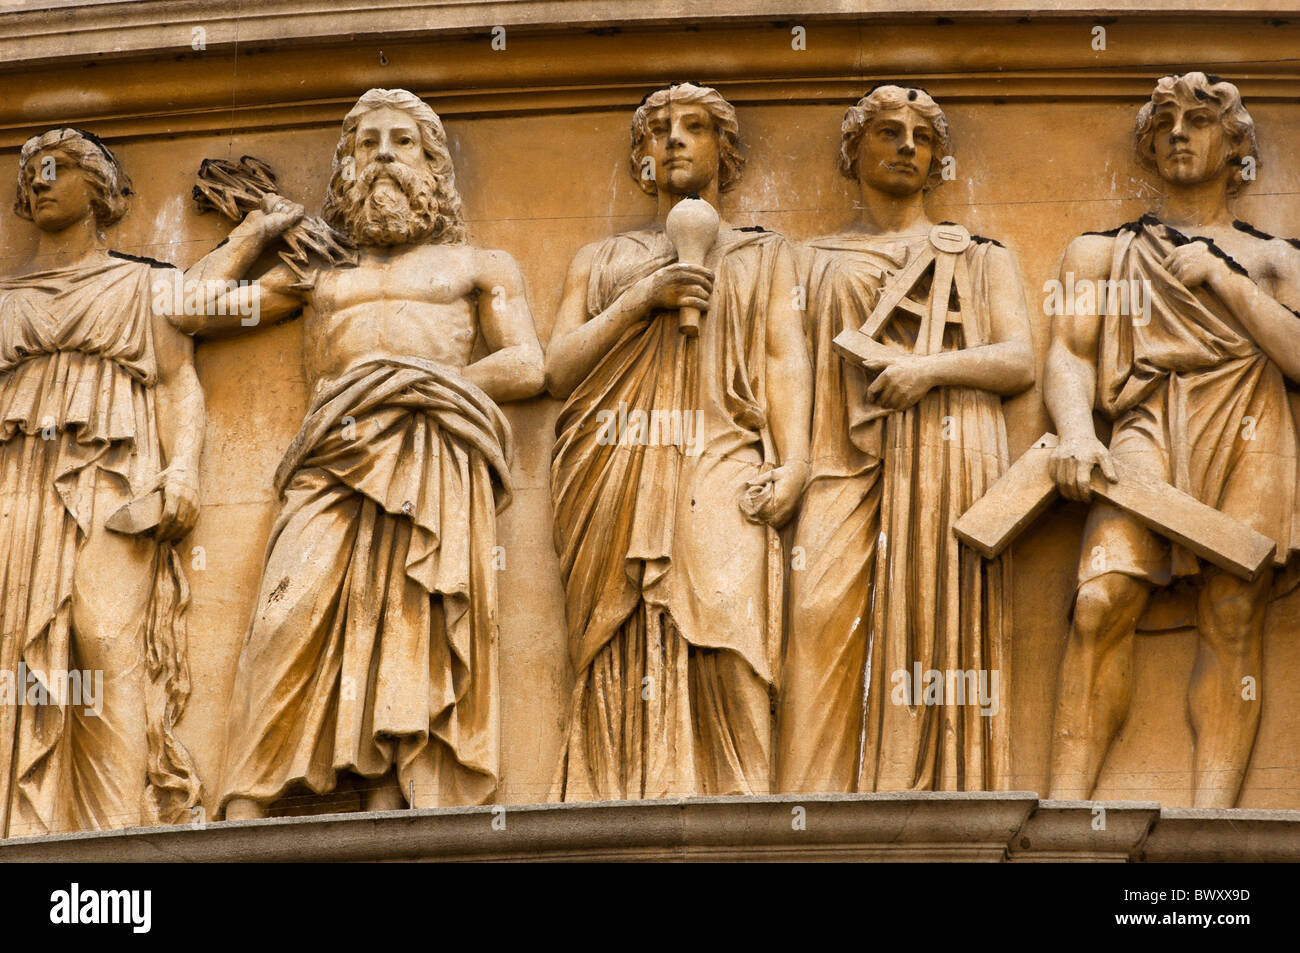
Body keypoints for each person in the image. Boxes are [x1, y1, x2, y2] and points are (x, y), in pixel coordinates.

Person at [173, 88, 545, 817]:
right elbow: (191, 310)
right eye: (366, 143)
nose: (382, 155)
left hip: (430, 451)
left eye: (401, 142)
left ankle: (388, 793)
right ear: (345, 167)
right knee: (288, 616)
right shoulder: (320, 272)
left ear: (432, 165)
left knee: (409, 622)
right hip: (331, 459)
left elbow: (528, 366)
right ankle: (248, 797)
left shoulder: (478, 266)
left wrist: (417, 383)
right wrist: (254, 235)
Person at [545, 82, 812, 799]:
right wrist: (644, 296)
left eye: (693, 127)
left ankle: (743, 804)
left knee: (730, 626)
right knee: (623, 631)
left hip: (724, 453)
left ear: (725, 151)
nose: (674, 139)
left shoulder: (764, 255)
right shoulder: (599, 260)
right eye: (659, 130)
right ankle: (623, 796)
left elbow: (785, 359)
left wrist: (796, 460)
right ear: (642, 157)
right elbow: (557, 368)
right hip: (615, 460)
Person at [1045, 73, 1300, 807]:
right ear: (1150, 145)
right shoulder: (1100, 254)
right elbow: (1066, 351)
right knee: (1101, 596)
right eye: (1165, 123)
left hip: (1251, 421)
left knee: (1232, 610)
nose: (1180, 133)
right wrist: (1071, 434)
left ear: (1235, 144)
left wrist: (1224, 280)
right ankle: (1066, 811)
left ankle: (1212, 818)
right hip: (1146, 421)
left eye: (1198, 120)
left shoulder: (1273, 259)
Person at [778, 86, 1033, 793]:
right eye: (887, 132)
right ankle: (805, 808)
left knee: (935, 627)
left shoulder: (980, 255)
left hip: (948, 451)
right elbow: (784, 363)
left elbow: (1018, 360)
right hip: (835, 462)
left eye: (922, 137)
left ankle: (933, 789)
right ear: (852, 150)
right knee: (815, 615)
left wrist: (928, 372)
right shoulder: (806, 259)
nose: (907, 146)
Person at [0, 128, 203, 836]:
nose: (38, 182)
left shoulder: (143, 284)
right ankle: (22, 828)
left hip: (113, 476)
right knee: (13, 643)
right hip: (18, 482)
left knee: (102, 636)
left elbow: (180, 382)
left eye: (56, 169)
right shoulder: (3, 300)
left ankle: (115, 838)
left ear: (100, 186)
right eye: (30, 173)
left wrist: (183, 469)